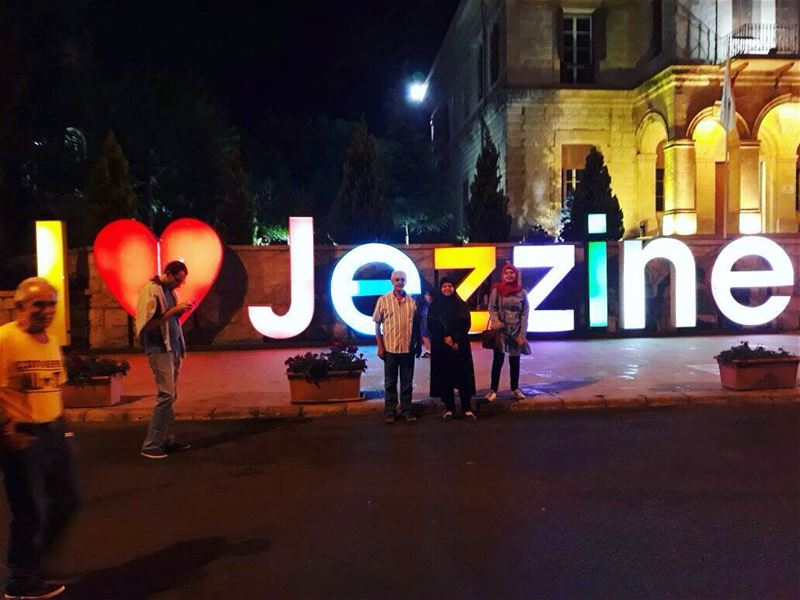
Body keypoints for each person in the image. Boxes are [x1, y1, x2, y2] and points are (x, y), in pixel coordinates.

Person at [0, 277, 80, 599]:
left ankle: (32, 561)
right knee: (29, 511)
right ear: (19, 306)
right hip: (23, 438)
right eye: (39, 304)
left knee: (68, 501)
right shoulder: (5, 339)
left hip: (54, 434)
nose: (47, 311)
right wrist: (6, 431)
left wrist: (65, 426)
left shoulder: (49, 340)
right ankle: (21, 582)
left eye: (51, 304)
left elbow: (54, 386)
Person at [135, 261, 194, 459]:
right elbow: (148, 324)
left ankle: (167, 439)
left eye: (182, 281)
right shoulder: (151, 290)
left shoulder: (169, 291)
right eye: (178, 280)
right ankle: (150, 444)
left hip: (173, 347)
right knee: (166, 394)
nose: (179, 284)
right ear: (168, 273)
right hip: (159, 347)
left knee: (171, 395)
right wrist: (174, 311)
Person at [373, 270, 421, 424]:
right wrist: (380, 346)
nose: (400, 282)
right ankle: (390, 412)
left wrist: (418, 344)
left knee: (407, 383)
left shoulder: (412, 301)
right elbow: (376, 326)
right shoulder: (383, 300)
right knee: (390, 383)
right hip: (390, 349)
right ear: (392, 281)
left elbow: (417, 325)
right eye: (397, 279)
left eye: (402, 279)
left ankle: (406, 410)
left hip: (407, 349)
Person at [428, 278, 477, 421]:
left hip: (459, 346)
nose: (447, 289)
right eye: (444, 286)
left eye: (450, 286)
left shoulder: (461, 305)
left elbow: (466, 324)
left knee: (463, 377)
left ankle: (467, 408)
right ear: (440, 288)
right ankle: (449, 408)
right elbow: (432, 325)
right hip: (441, 347)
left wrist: (455, 339)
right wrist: (446, 338)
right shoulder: (434, 306)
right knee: (445, 377)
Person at [487, 263, 530, 401]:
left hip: (516, 330)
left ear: (516, 275)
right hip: (501, 331)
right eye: (506, 273)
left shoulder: (522, 292)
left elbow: (525, 315)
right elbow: (492, 308)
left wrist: (522, 335)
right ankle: (493, 390)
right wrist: (496, 321)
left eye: (512, 273)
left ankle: (515, 388)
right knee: (498, 360)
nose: (509, 275)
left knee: (515, 360)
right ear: (503, 275)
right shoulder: (497, 290)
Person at [419, 290, 433, 358]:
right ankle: (428, 351)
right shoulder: (425, 305)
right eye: (426, 295)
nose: (427, 296)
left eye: (428, 295)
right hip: (424, 324)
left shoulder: (433, 305)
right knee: (424, 336)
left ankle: (429, 351)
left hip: (429, 324)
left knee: (425, 336)